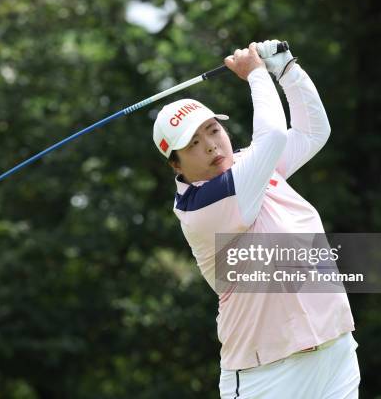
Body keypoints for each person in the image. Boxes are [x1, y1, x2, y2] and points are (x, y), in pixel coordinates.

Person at [152, 40, 361, 398]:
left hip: (335, 352)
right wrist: (256, 75)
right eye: (192, 144)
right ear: (176, 164)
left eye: (213, 130)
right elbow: (275, 134)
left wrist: (287, 69)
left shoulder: (254, 167)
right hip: (268, 375)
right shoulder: (203, 205)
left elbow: (312, 132)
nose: (211, 146)